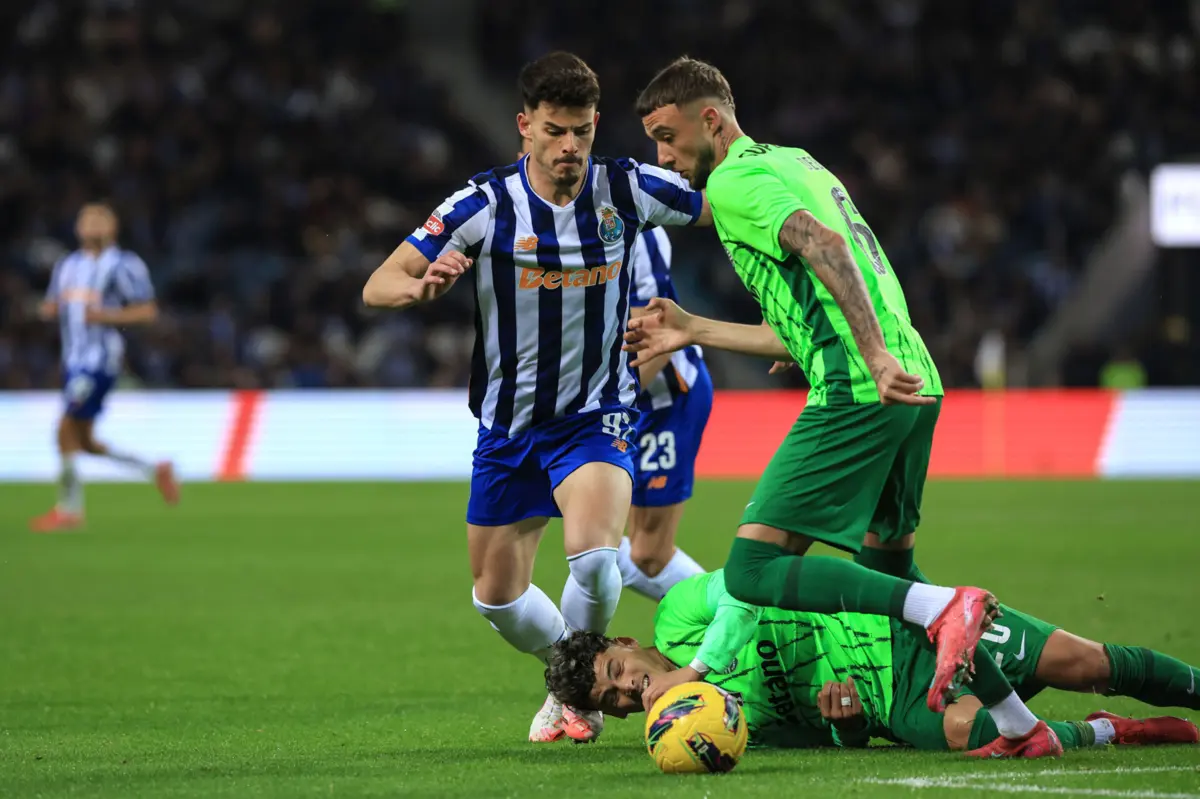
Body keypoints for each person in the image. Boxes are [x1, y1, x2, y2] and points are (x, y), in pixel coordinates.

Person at [625, 56, 1054, 757]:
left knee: (752, 571)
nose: (663, 156)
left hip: (859, 387)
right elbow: (811, 297)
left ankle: (950, 606)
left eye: (667, 137)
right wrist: (693, 327)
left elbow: (821, 244)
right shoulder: (796, 161)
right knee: (891, 576)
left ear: (710, 119)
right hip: (916, 386)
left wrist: (871, 353)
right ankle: (1019, 725)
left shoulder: (734, 180)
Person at [362, 52, 710, 744]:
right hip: (508, 428)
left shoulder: (624, 189)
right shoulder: (483, 205)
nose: (569, 148)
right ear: (524, 126)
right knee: (496, 597)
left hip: (596, 415)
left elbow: (721, 209)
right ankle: (570, 677)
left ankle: (581, 696)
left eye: (581, 131)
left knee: (595, 558)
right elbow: (379, 282)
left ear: (595, 126)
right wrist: (420, 287)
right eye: (554, 131)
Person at [546, 570, 1200, 756]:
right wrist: (849, 724)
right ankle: (1111, 729)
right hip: (895, 701)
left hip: (897, 624)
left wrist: (695, 670)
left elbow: (748, 587)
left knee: (1084, 661)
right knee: (970, 733)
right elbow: (820, 736)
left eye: (614, 671)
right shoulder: (716, 725)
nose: (629, 691)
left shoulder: (679, 615)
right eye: (615, 703)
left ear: (625, 641)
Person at [516, 137, 710, 604]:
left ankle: (740, 629)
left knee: (648, 554)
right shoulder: (541, 227)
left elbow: (658, 328)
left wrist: (606, 403)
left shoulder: (632, 224)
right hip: (609, 403)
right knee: (594, 533)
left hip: (663, 396)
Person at [31, 202, 179, 532]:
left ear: (113, 227)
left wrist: (106, 316)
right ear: (76, 227)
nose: (92, 223)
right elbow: (54, 303)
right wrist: (47, 310)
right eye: (86, 218)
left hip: (100, 360)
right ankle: (155, 470)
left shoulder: (124, 265)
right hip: (72, 360)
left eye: (100, 218)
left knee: (64, 429)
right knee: (84, 442)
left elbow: (147, 311)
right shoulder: (67, 266)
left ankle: (69, 511)